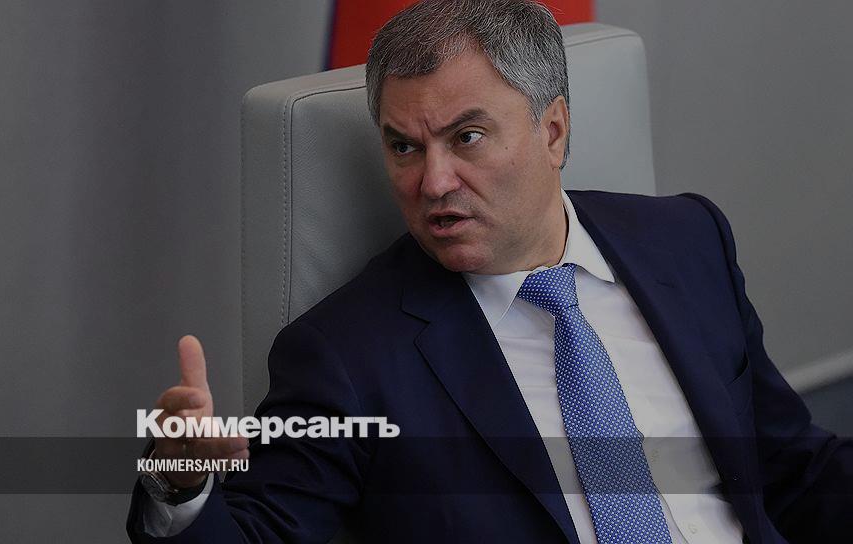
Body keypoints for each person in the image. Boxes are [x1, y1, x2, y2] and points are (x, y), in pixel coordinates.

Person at [127, 1, 852, 542]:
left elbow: (791, 467)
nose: (434, 181)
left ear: (553, 131)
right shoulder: (347, 355)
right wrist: (180, 482)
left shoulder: (687, 241)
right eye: (404, 147)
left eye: (467, 137)